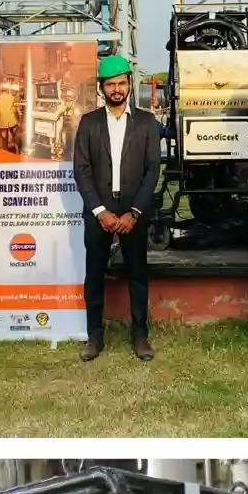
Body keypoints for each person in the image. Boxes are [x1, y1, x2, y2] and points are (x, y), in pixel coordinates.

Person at [70, 54, 160, 362]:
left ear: (130, 84)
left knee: (137, 274)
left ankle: (140, 335)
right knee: (95, 273)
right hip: (99, 210)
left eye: (121, 83)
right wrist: (99, 210)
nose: (117, 90)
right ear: (101, 87)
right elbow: (81, 169)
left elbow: (153, 170)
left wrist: (134, 213)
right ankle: (94, 336)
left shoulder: (146, 122)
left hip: (134, 210)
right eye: (110, 85)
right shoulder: (89, 122)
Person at [0, 83, 19, 152]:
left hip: (2, 123)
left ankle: (5, 153)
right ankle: (14, 153)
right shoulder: (11, 97)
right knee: (13, 139)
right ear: (7, 90)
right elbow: (14, 109)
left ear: (1, 90)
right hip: (12, 122)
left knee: (4, 140)